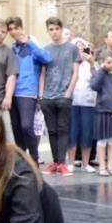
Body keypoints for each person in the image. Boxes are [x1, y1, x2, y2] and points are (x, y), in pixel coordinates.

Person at [6, 16, 52, 164]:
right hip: (13, 92)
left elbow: (47, 58)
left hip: (28, 91)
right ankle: (21, 159)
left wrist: (29, 42)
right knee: (16, 128)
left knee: (27, 126)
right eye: (10, 29)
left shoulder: (33, 44)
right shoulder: (12, 48)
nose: (13, 32)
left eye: (15, 28)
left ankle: (34, 158)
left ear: (21, 28)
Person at [40, 17, 80, 175]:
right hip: (48, 96)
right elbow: (43, 73)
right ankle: (55, 162)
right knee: (52, 130)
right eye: (51, 29)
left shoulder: (71, 48)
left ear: (61, 29)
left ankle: (62, 162)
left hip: (63, 95)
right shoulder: (45, 49)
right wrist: (41, 94)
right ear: (48, 31)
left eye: (57, 28)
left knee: (63, 129)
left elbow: (75, 72)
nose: (54, 32)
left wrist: (68, 93)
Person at [69, 41, 98, 173]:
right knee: (72, 132)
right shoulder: (70, 64)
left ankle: (86, 163)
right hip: (72, 101)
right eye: (77, 49)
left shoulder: (92, 65)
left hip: (88, 102)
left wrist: (92, 62)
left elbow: (98, 79)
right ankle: (71, 161)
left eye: (82, 49)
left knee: (87, 132)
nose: (80, 52)